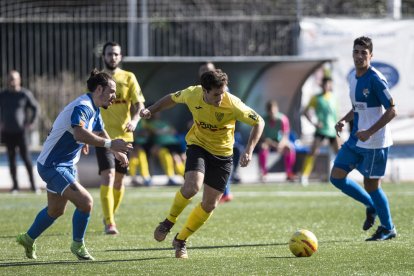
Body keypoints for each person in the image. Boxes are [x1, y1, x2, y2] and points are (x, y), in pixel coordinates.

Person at [140, 69, 264, 258]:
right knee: (192, 187)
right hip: (198, 146)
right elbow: (171, 99)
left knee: (209, 205)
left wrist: (249, 150)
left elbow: (259, 122)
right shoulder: (192, 93)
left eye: (222, 93)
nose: (220, 98)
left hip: (223, 155)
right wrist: (151, 110)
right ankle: (169, 221)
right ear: (204, 91)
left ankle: (180, 240)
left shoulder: (233, 104)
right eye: (216, 94)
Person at [16, 69, 132, 261]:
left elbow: (100, 131)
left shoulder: (93, 108)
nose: (114, 96)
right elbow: (79, 134)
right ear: (99, 89)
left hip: (65, 165)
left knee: (55, 210)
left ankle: (27, 239)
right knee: (86, 202)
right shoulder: (83, 106)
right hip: (53, 165)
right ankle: (78, 245)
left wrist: (116, 151)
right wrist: (111, 145)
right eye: (112, 91)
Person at [330, 36, 397, 241]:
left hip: (375, 142)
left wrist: (370, 132)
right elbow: (359, 107)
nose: (359, 56)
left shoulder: (376, 79)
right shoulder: (353, 77)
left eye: (364, 53)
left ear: (371, 56)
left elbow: (392, 110)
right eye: (356, 52)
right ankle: (370, 204)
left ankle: (388, 228)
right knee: (337, 177)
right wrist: (343, 119)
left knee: (372, 185)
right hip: (356, 139)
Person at [97, 41, 146, 235]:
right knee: (108, 176)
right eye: (109, 54)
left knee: (119, 181)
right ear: (104, 57)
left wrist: (135, 121)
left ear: (121, 56)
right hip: (103, 136)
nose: (113, 57)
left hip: (125, 137)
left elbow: (139, 104)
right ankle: (110, 222)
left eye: (116, 54)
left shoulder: (129, 77)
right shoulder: (97, 79)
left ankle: (110, 215)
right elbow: (90, 105)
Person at [0, 70, 39, 193]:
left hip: (21, 133)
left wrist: (31, 122)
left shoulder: (24, 94)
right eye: (10, 78)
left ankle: (34, 186)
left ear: (19, 80)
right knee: (11, 160)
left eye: (14, 78)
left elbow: (35, 107)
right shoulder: (3, 94)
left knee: (27, 159)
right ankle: (15, 186)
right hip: (8, 132)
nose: (12, 81)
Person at [301, 76, 341, 186]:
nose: (326, 86)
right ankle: (304, 176)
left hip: (332, 130)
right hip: (321, 130)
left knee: (340, 153)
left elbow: (335, 115)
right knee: (313, 152)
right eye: (324, 84)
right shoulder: (316, 98)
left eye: (328, 84)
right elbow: (305, 112)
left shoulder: (333, 97)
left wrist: (338, 127)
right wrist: (314, 123)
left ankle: (339, 175)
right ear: (321, 85)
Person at [258, 100, 296, 182]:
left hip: (279, 141)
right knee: (263, 147)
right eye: (271, 111)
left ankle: (289, 173)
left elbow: (285, 135)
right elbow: (262, 136)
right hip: (268, 141)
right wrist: (272, 144)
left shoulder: (283, 119)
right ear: (268, 111)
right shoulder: (263, 120)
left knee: (290, 148)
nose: (273, 113)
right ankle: (263, 173)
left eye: (275, 111)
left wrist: (280, 144)